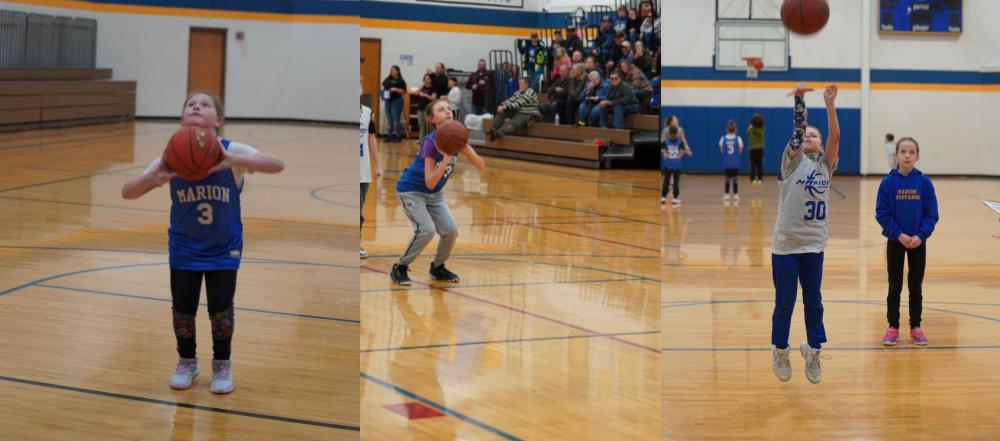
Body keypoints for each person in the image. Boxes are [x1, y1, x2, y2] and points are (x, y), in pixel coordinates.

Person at [121, 91, 285, 394]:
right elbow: (127, 192)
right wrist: (154, 177)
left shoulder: (231, 149)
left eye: (205, 104)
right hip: (184, 247)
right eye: (190, 104)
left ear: (218, 120)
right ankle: (187, 361)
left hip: (224, 247)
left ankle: (222, 364)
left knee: (221, 311)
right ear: (184, 117)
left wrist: (236, 160)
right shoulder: (172, 154)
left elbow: (277, 164)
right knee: (183, 310)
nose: (196, 106)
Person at [769, 82, 840, 385]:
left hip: (813, 245)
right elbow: (798, 132)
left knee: (814, 301)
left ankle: (812, 351)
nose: (809, 136)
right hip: (786, 245)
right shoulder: (791, 161)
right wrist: (799, 98)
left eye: (815, 135)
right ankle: (780, 350)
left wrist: (829, 104)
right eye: (807, 134)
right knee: (785, 301)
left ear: (821, 146)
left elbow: (836, 136)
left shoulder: (826, 166)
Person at [391, 98, 486, 286]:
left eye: (449, 109)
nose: (448, 111)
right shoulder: (429, 142)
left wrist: (466, 147)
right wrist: (445, 159)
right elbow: (430, 181)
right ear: (431, 119)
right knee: (426, 230)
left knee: (450, 231)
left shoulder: (457, 138)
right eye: (442, 110)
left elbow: (480, 165)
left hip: (435, 195)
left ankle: (438, 267)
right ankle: (400, 267)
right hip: (412, 191)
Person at [875, 137, 938, 346]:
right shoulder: (888, 182)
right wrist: (899, 234)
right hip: (895, 242)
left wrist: (921, 236)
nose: (907, 155)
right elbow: (882, 214)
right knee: (894, 286)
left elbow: (932, 215)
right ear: (897, 155)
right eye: (903, 152)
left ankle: (916, 327)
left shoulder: (924, 182)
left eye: (912, 152)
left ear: (917, 156)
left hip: (918, 243)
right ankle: (893, 327)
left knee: (915, 287)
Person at [360, 77, 384, 259]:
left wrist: (378, 165)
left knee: (359, 209)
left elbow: (371, 138)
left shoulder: (368, 112)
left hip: (363, 170)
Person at [661, 125, 692, 205]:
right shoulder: (680, 142)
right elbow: (681, 153)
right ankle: (675, 198)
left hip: (668, 164)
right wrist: (686, 153)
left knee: (666, 181)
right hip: (676, 165)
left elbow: (663, 150)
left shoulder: (665, 142)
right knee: (676, 182)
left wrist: (665, 154)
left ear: (669, 133)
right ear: (677, 133)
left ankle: (663, 197)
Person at [719, 120, 744, 201]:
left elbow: (722, 150)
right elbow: (740, 150)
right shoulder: (738, 138)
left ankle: (726, 195)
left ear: (727, 129)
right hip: (735, 161)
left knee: (727, 178)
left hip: (726, 161)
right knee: (735, 178)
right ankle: (736, 195)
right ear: (735, 130)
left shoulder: (723, 138)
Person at [381, 65, 407, 142]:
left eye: (394, 70)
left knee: (396, 119)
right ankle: (390, 135)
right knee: (390, 119)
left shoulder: (401, 81)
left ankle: (398, 136)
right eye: (391, 70)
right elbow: (382, 85)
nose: (393, 72)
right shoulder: (388, 79)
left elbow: (404, 91)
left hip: (397, 101)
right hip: (388, 101)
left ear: (398, 71)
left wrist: (396, 89)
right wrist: (383, 90)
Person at [412, 74, 437, 138]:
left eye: (428, 78)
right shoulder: (422, 87)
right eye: (425, 78)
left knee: (428, 126)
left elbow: (434, 98)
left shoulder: (433, 88)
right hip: (420, 108)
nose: (426, 80)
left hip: (428, 109)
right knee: (421, 125)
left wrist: (425, 95)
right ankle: (421, 140)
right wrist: (423, 84)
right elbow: (415, 93)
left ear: (431, 80)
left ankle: (429, 140)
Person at [747, 113, 766, 185]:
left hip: (752, 148)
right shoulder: (762, 128)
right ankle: (760, 179)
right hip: (760, 148)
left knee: (752, 164)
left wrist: (751, 127)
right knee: (760, 163)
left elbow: (748, 133)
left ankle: (752, 179)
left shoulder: (750, 129)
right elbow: (761, 133)